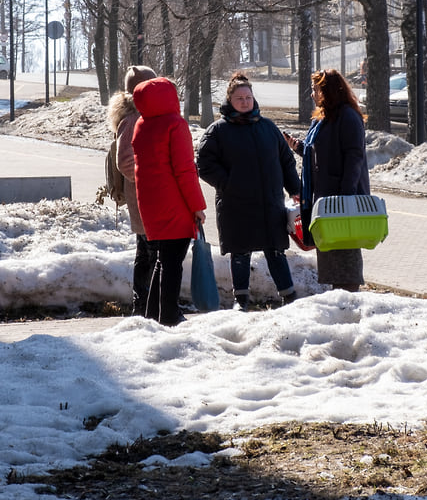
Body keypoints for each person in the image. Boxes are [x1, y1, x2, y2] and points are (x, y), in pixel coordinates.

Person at [197, 72, 302, 310]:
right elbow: (204, 164)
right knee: (240, 252)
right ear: (229, 101)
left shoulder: (268, 127)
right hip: (237, 204)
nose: (245, 102)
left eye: (248, 97)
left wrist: (294, 188)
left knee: (275, 250)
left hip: (269, 203)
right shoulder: (218, 131)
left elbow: (286, 161)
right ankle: (240, 300)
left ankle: (289, 296)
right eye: (239, 98)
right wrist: (229, 183)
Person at [131, 76, 208, 326]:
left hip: (151, 207)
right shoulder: (176, 125)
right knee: (172, 265)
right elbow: (185, 170)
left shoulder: (141, 126)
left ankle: (153, 317)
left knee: (162, 262)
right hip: (175, 205)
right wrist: (197, 207)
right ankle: (169, 317)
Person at [286, 69, 369, 291]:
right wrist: (297, 147)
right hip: (325, 200)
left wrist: (346, 196)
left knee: (345, 254)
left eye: (316, 89)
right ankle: (338, 299)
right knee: (331, 253)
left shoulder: (348, 116)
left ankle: (350, 301)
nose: (312, 94)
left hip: (341, 200)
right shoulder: (323, 117)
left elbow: (355, 157)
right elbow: (318, 153)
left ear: (328, 90)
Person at [107, 64, 159, 316]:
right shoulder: (132, 119)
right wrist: (152, 180)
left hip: (146, 197)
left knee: (147, 251)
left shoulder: (141, 115)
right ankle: (145, 304)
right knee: (149, 252)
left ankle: (147, 304)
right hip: (143, 197)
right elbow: (126, 162)